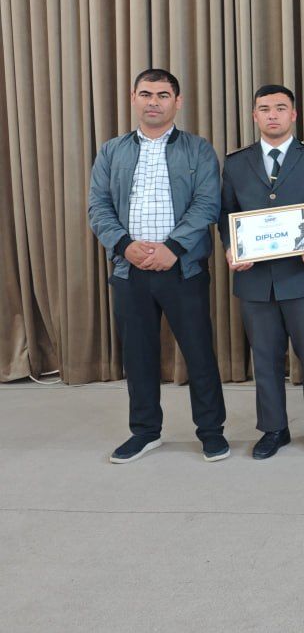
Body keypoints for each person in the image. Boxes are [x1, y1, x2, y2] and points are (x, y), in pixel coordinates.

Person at [87, 68, 227, 464]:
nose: (154, 102)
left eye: (163, 95)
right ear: (134, 98)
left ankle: (211, 432)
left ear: (177, 102)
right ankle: (145, 432)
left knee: (199, 354)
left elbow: (207, 204)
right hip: (129, 271)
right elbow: (98, 206)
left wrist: (173, 248)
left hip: (183, 270)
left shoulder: (198, 149)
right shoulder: (111, 150)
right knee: (138, 357)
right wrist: (125, 246)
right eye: (146, 94)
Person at [220, 84, 304, 459]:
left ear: (294, 114)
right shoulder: (236, 163)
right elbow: (226, 216)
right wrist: (230, 247)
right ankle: (274, 429)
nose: (272, 114)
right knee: (265, 359)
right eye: (264, 108)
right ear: (254, 116)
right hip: (256, 281)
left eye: (280, 108)